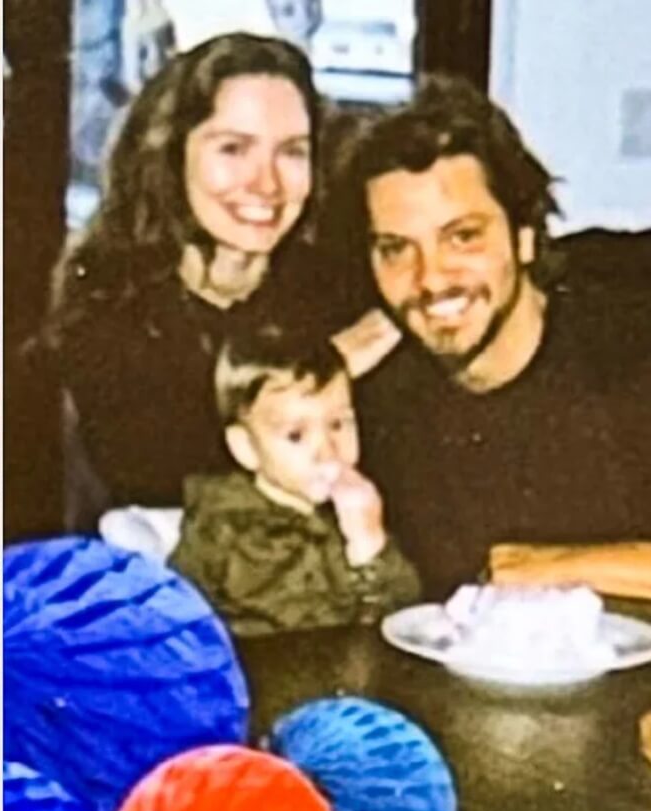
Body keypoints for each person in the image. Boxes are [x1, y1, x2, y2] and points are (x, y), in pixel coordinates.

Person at [326, 75, 651, 599]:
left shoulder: (627, 345)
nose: (430, 277)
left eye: (463, 237)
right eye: (396, 248)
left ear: (524, 238)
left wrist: (545, 568)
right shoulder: (377, 402)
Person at [52, 32, 387, 527]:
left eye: (292, 152)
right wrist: (324, 370)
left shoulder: (338, 281)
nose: (267, 183)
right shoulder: (106, 300)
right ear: (170, 155)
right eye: (233, 149)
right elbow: (164, 482)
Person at [170, 329, 420, 636]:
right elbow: (311, 630)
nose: (328, 451)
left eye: (337, 424)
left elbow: (407, 613)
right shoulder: (231, 529)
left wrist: (372, 544)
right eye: (296, 435)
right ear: (246, 448)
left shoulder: (341, 516)